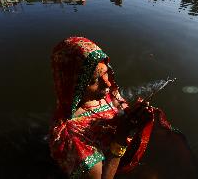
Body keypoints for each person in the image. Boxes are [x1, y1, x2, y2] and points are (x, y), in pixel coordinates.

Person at [49, 37, 174, 179]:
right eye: (94, 81)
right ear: (72, 85)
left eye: (106, 72)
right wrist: (121, 138)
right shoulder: (72, 137)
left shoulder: (103, 95)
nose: (108, 84)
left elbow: (120, 117)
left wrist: (133, 117)